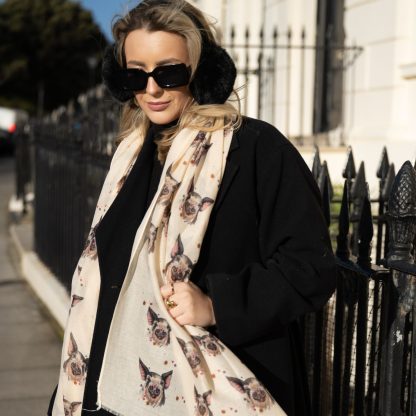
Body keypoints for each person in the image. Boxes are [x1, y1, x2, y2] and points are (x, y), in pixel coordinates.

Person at [48, 0, 336, 415]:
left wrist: (217, 305)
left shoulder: (255, 149)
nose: (152, 89)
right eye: (136, 75)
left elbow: (310, 266)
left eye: (169, 72)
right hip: (108, 392)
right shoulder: (129, 158)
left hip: (223, 384)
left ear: (200, 72)